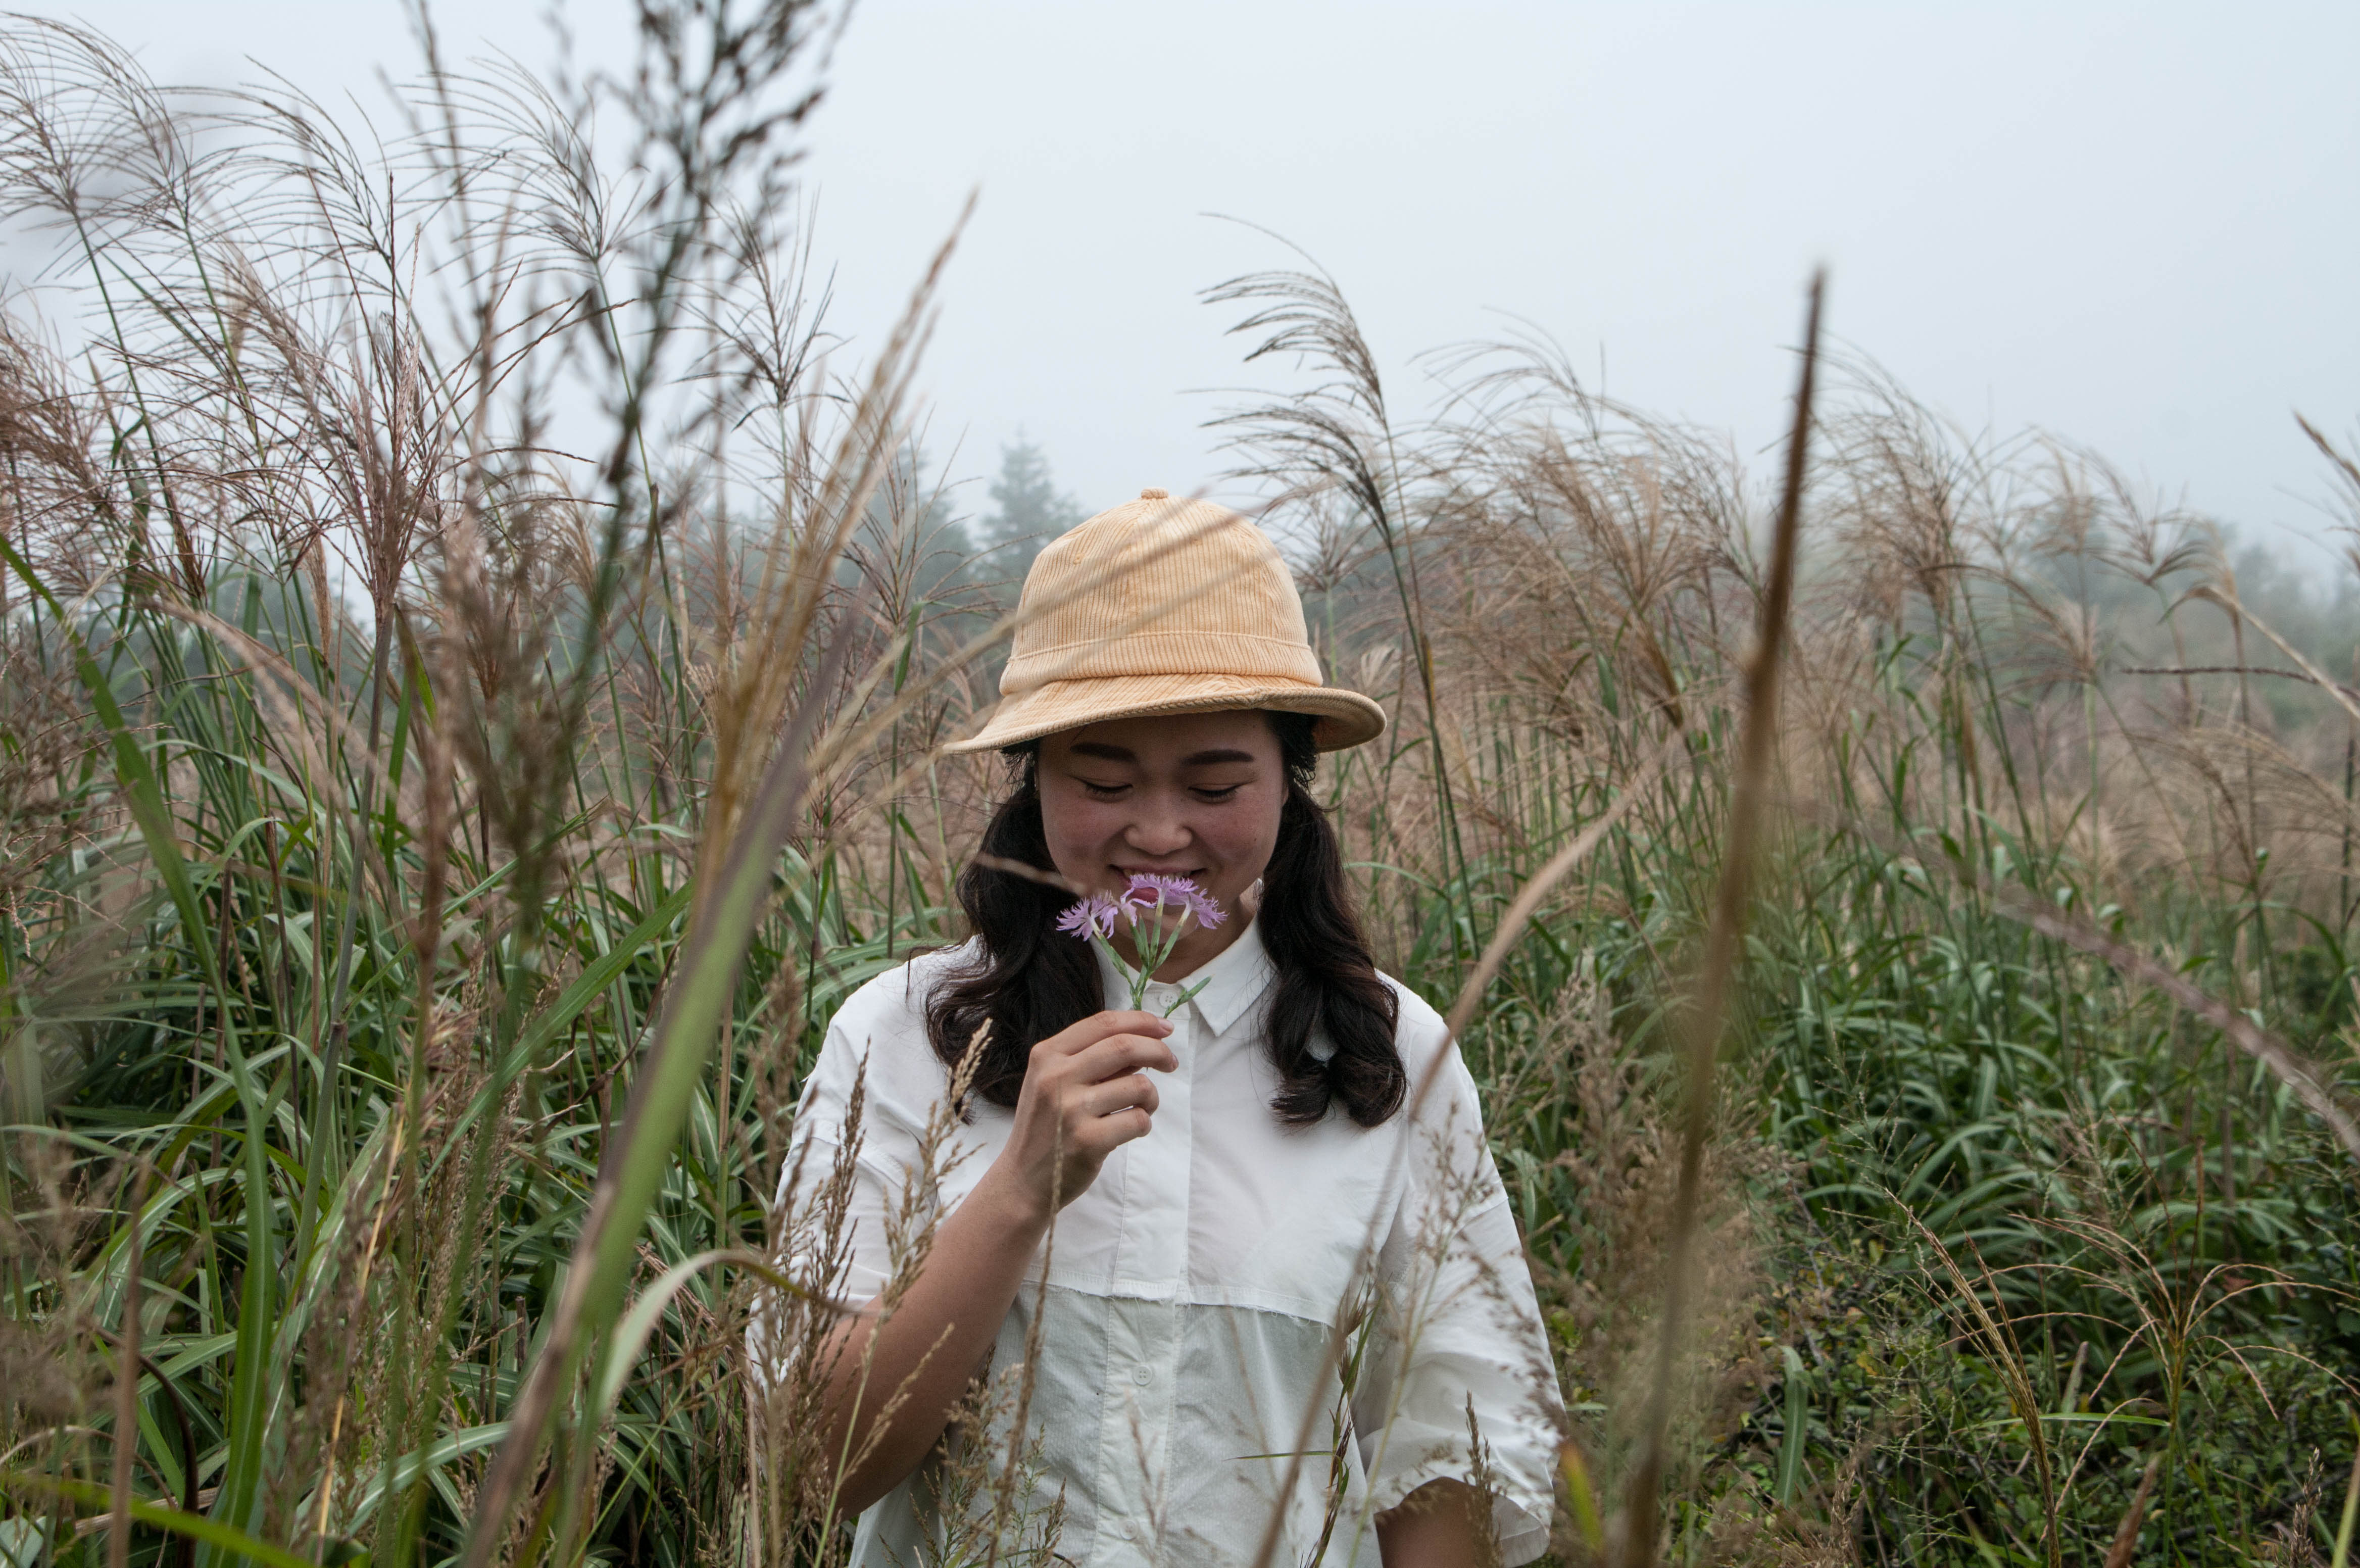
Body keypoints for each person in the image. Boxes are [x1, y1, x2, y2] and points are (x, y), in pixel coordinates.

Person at [769, 488, 1564, 1566]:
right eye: (1100, 780)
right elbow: (814, 1468)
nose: (1156, 832)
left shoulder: (1394, 1054)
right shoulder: (903, 1037)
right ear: (1033, 781)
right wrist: (1016, 1192)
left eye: (1214, 782)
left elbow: (1451, 1455)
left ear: (1292, 780)